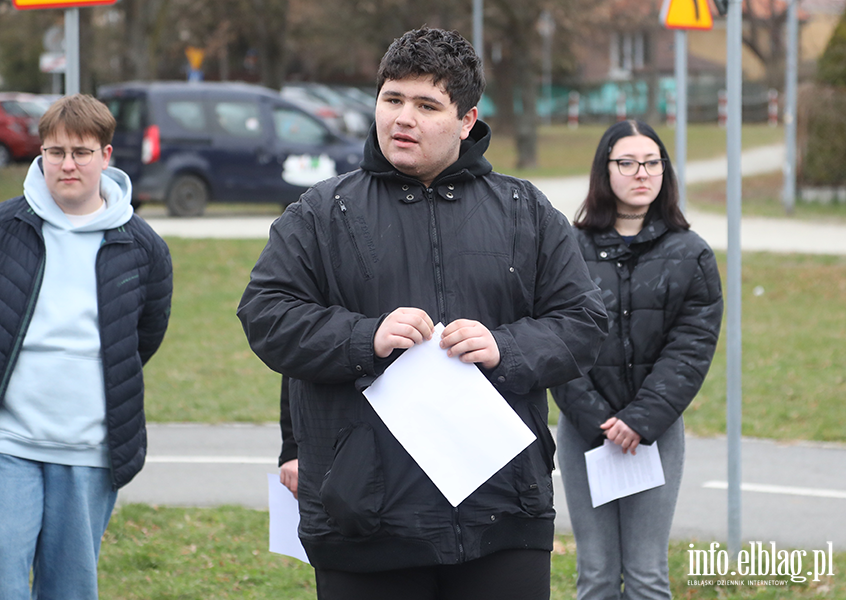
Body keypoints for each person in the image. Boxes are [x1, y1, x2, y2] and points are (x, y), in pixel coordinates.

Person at [238, 27, 608, 600]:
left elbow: (583, 321)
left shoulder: (525, 211)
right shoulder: (322, 212)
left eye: (427, 105)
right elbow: (266, 314)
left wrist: (506, 348)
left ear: (467, 120)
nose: (402, 118)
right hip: (363, 518)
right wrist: (363, 337)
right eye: (392, 99)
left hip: (502, 510)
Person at [0, 93, 173, 599]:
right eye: (56, 152)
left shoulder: (143, 248)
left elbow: (143, 336)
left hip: (91, 448)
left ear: (105, 156)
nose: (67, 164)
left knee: (69, 587)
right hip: (4, 441)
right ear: (41, 155)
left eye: (81, 152)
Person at [551, 120, 724, 600]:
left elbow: (691, 347)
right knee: (597, 576)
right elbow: (557, 338)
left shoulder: (691, 255)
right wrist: (598, 419)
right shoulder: (568, 250)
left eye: (651, 162)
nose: (641, 173)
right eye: (626, 163)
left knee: (647, 576)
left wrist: (640, 420)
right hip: (585, 430)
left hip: (656, 431)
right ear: (604, 171)